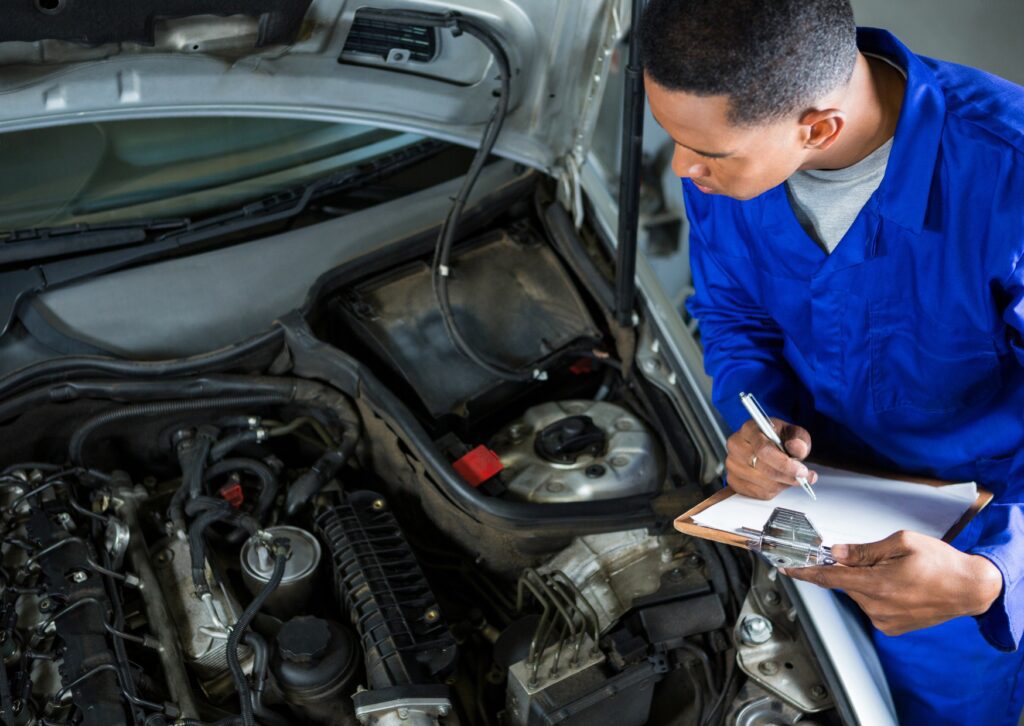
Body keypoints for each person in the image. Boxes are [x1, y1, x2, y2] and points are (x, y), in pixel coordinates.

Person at [637, 0, 1024, 723]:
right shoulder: (729, 158)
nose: (685, 170)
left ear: (816, 128)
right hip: (805, 519)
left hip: (963, 555)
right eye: (675, 140)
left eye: (709, 153)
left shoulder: (1010, 176)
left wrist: (997, 574)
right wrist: (756, 418)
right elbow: (732, 315)